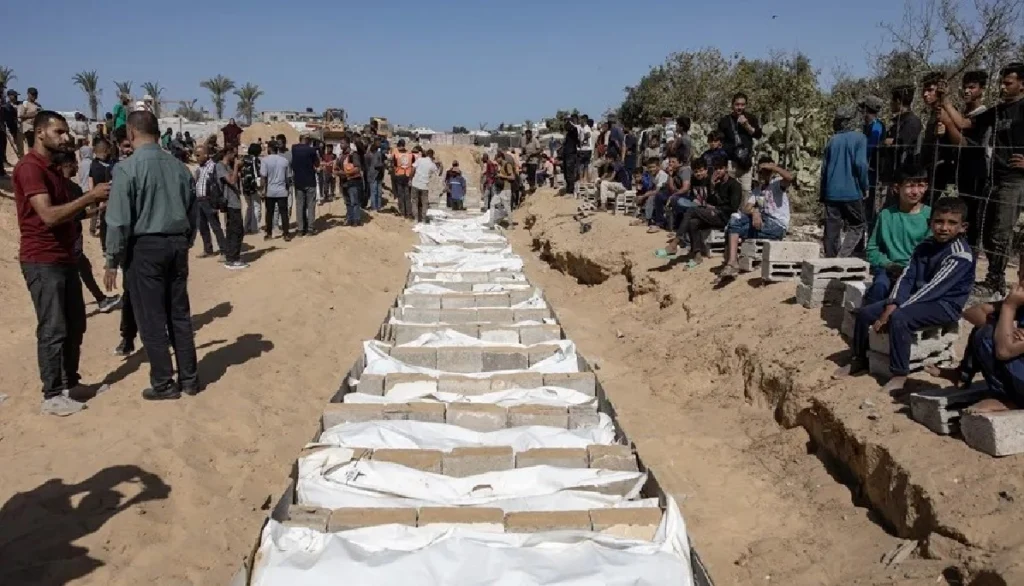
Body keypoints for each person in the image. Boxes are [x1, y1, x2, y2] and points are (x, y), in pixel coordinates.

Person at [14, 110, 111, 415]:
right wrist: (88, 197)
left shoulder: (53, 168)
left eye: (66, 132)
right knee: (53, 327)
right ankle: (52, 393)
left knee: (75, 324)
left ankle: (70, 382)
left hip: (65, 257)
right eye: (59, 131)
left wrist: (97, 207)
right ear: (40, 132)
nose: (66, 137)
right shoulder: (30, 168)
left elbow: (68, 212)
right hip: (42, 260)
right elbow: (49, 215)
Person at [104, 110, 199, 401]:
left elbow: (119, 220)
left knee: (152, 318)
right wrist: (185, 242)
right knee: (179, 315)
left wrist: (112, 259)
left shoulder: (126, 169)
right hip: (176, 244)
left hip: (145, 248)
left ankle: (163, 383)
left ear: (131, 133)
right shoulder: (179, 167)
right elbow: (192, 210)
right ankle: (190, 380)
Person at [834, 197, 974, 393]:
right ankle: (859, 358)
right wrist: (892, 303)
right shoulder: (925, 246)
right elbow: (907, 276)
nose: (944, 227)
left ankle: (899, 374)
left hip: (944, 304)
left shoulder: (960, 255)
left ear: (963, 227)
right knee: (866, 313)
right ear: (930, 223)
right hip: (916, 298)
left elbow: (934, 288)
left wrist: (896, 309)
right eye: (939, 221)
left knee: (900, 318)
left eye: (952, 223)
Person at [942, 62, 1024, 302]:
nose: (1003, 87)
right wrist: (946, 101)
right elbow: (966, 125)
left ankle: (996, 283)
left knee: (1001, 232)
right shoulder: (997, 111)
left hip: (1014, 180)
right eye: (1002, 82)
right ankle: (991, 279)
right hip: (993, 177)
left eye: (1008, 83)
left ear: (1022, 84)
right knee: (987, 230)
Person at [925, 255, 1024, 412]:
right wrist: (1007, 326)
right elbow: (972, 314)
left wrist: (1009, 308)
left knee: (989, 336)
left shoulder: (1015, 305)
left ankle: (1011, 401)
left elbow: (1004, 352)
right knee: (986, 329)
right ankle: (963, 375)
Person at [53, 152, 121, 313]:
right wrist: (98, 204)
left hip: (63, 240)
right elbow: (79, 213)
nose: (77, 167)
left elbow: (79, 214)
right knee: (75, 272)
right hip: (71, 240)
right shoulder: (71, 188)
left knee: (82, 269)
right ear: (66, 165)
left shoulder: (55, 187)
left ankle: (100, 300)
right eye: (74, 164)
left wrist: (98, 207)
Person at [863, 165, 932, 305]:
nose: (915, 191)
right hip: (890, 269)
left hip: (919, 271)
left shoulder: (932, 217)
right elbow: (872, 249)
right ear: (896, 188)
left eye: (920, 186)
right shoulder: (886, 215)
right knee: (879, 288)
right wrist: (889, 265)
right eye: (910, 186)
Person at [937, 70, 988, 249]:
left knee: (972, 218)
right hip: (960, 173)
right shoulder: (963, 113)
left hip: (976, 176)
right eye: (965, 87)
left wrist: (947, 108)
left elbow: (963, 140)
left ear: (982, 90)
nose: (967, 91)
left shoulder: (983, 115)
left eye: (972, 87)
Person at [660, 156, 742, 266]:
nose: (718, 171)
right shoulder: (717, 183)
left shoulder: (734, 185)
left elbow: (733, 207)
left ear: (726, 168)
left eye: (720, 168)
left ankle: (675, 242)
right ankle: (697, 255)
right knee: (692, 222)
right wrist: (713, 189)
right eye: (716, 168)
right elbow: (710, 201)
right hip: (713, 214)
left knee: (691, 210)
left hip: (725, 217)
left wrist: (715, 208)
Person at [719, 157, 793, 277]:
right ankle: (732, 263)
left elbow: (789, 177)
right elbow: (746, 207)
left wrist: (773, 167)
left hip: (776, 225)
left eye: (767, 170)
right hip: (763, 221)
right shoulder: (758, 190)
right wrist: (755, 212)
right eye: (762, 171)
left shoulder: (778, 184)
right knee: (734, 220)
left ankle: (731, 263)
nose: (765, 173)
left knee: (733, 227)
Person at [820, 105, 870, 258]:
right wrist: (865, 186)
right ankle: (843, 256)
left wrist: (823, 194)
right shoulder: (860, 138)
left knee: (831, 229)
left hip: (831, 192)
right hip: (851, 192)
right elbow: (861, 164)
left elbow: (824, 169)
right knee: (858, 224)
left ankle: (830, 260)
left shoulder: (832, 141)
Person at [717, 92, 763, 197]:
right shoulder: (725, 121)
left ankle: (743, 213)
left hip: (745, 162)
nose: (740, 107)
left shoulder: (751, 118)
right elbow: (719, 139)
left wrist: (747, 125)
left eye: (742, 105)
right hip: (730, 162)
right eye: (737, 104)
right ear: (732, 105)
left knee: (745, 191)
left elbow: (758, 135)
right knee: (729, 192)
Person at [880, 85, 923, 185]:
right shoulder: (898, 121)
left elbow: (900, 145)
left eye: (892, 100)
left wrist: (890, 142)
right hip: (893, 175)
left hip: (904, 177)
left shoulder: (912, 122)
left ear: (898, 101)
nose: (890, 103)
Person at [192, 144, 227, 255]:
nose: (196, 158)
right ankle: (208, 249)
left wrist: (216, 202)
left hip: (209, 200)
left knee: (215, 226)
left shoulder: (213, 167)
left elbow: (217, 185)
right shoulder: (199, 168)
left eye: (198, 155)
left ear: (206, 155)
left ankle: (223, 250)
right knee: (202, 227)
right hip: (199, 200)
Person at [215, 147, 247, 268]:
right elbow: (232, 181)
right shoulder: (220, 166)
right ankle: (233, 259)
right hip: (230, 203)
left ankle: (232, 257)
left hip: (234, 202)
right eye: (234, 154)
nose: (235, 157)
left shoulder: (227, 166)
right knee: (236, 231)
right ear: (228, 153)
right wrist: (236, 167)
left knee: (234, 230)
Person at [260, 141, 291, 240]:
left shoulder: (265, 160)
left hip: (270, 191)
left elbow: (263, 177)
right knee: (284, 213)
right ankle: (286, 234)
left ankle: (269, 234)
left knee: (269, 213)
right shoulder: (284, 160)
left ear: (269, 148)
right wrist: (287, 188)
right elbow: (288, 177)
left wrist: (263, 190)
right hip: (282, 191)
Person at [290, 134, 320, 236]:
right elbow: (317, 164)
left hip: (298, 181)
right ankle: (310, 228)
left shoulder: (294, 148)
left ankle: (300, 229)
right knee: (310, 205)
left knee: (300, 206)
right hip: (310, 181)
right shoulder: (311, 150)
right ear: (307, 140)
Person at [339, 141, 364, 226]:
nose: (341, 145)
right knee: (347, 202)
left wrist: (346, 174)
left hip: (353, 182)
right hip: (344, 182)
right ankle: (350, 219)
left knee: (354, 202)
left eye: (342, 143)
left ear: (347, 144)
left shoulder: (353, 155)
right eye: (340, 143)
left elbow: (357, 168)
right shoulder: (341, 155)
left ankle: (356, 220)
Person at [240, 143, 262, 234]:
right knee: (256, 206)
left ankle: (246, 226)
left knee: (249, 207)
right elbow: (258, 172)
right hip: (254, 185)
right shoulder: (255, 160)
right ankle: (255, 227)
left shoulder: (243, 159)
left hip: (245, 186)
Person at [411, 148, 437, 223]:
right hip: (424, 186)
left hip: (415, 183)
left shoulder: (419, 160)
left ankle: (415, 218)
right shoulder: (432, 164)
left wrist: (410, 179)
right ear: (432, 156)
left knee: (414, 201)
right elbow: (438, 172)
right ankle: (423, 219)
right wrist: (440, 165)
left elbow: (413, 169)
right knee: (424, 203)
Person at [391, 139, 416, 218]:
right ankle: (409, 213)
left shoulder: (396, 155)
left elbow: (394, 165)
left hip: (399, 175)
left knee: (400, 195)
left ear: (398, 145)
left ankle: (402, 212)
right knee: (407, 195)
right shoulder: (410, 154)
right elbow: (413, 165)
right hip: (408, 176)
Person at [561, 114, 581, 195]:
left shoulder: (574, 130)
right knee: (566, 172)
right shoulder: (568, 133)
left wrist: (569, 121)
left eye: (567, 121)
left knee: (570, 172)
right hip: (566, 154)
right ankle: (568, 188)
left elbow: (569, 127)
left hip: (571, 154)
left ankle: (571, 189)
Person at [366, 137, 385, 211]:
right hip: (374, 174)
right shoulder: (374, 153)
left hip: (377, 174)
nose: (379, 143)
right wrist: (383, 164)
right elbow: (376, 164)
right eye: (378, 142)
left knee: (378, 192)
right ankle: (375, 207)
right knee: (374, 192)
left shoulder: (379, 151)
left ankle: (377, 206)